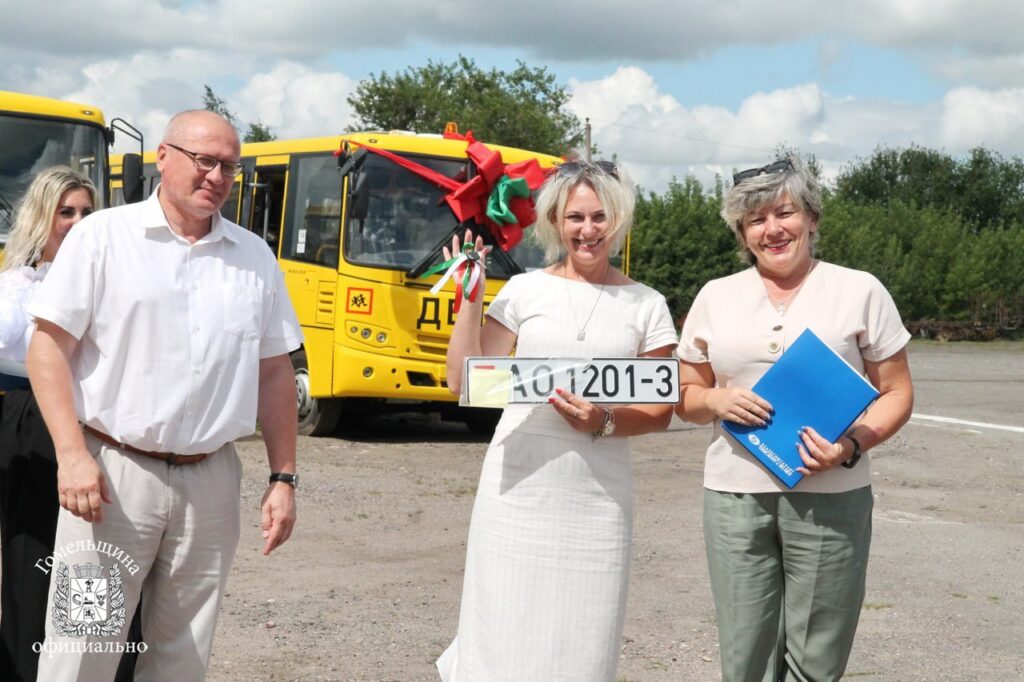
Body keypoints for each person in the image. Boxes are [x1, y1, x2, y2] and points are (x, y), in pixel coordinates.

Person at [26, 110, 303, 681]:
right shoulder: (103, 238)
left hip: (211, 482)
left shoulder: (254, 257)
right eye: (204, 161)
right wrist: (72, 455)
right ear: (163, 156)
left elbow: (275, 372)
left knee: (182, 656)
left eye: (230, 166)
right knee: (83, 645)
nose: (217, 177)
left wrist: (283, 477)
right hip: (111, 479)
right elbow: (47, 348)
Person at [437, 160, 678, 681]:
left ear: (618, 220)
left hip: (598, 498)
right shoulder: (524, 290)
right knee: (504, 627)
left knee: (584, 636)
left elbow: (660, 409)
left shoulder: (647, 304)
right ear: (554, 221)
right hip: (517, 491)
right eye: (575, 217)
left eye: (599, 217)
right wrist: (471, 299)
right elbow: (464, 380)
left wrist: (603, 420)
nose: (588, 230)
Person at [675, 158, 914, 681]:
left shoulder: (860, 290)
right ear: (742, 233)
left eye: (784, 213)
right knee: (746, 655)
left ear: (811, 218)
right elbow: (685, 396)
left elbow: (896, 392)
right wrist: (716, 400)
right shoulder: (715, 295)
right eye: (756, 219)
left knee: (817, 657)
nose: (773, 229)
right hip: (736, 497)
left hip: (832, 497)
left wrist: (851, 446)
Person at [0, 167, 99, 681]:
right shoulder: (17, 285)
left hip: (95, 424)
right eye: (66, 212)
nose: (78, 222)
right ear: (42, 218)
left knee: (93, 560)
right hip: (31, 423)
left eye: (86, 212)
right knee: (32, 557)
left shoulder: (110, 283)